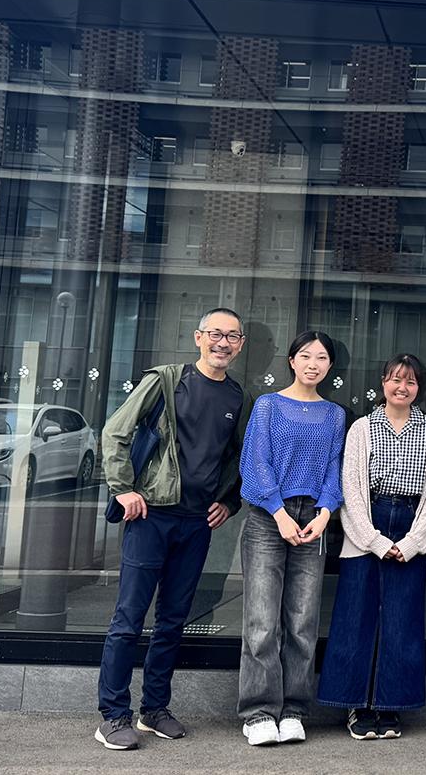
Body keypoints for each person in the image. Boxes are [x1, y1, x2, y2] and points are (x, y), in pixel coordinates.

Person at [95, 308, 251, 751]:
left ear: (240, 345)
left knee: (173, 621)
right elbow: (115, 432)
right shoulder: (166, 379)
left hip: (196, 522)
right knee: (129, 619)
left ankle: (154, 708)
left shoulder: (238, 398)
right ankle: (112, 714)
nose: (223, 342)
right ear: (198, 337)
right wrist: (123, 489)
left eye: (232, 336)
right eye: (215, 334)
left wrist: (229, 500)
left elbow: (237, 459)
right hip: (150, 516)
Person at [316, 353, 426, 740]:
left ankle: (392, 706)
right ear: (383, 383)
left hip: (410, 524)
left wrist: (412, 543)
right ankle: (357, 705)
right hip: (367, 525)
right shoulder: (362, 427)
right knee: (356, 618)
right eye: (394, 380)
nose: (401, 387)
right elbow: (351, 489)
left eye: (409, 381)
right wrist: (373, 540)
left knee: (403, 621)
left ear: (419, 388)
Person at [236, 330, 347, 746]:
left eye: (321, 357)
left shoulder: (335, 415)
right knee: (262, 620)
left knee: (302, 622)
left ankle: (295, 708)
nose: (313, 364)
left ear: (330, 366)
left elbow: (335, 467)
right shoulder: (268, 406)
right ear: (292, 361)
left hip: (313, 519)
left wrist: (325, 512)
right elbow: (255, 462)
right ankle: (259, 712)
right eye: (305, 356)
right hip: (270, 517)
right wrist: (279, 512)